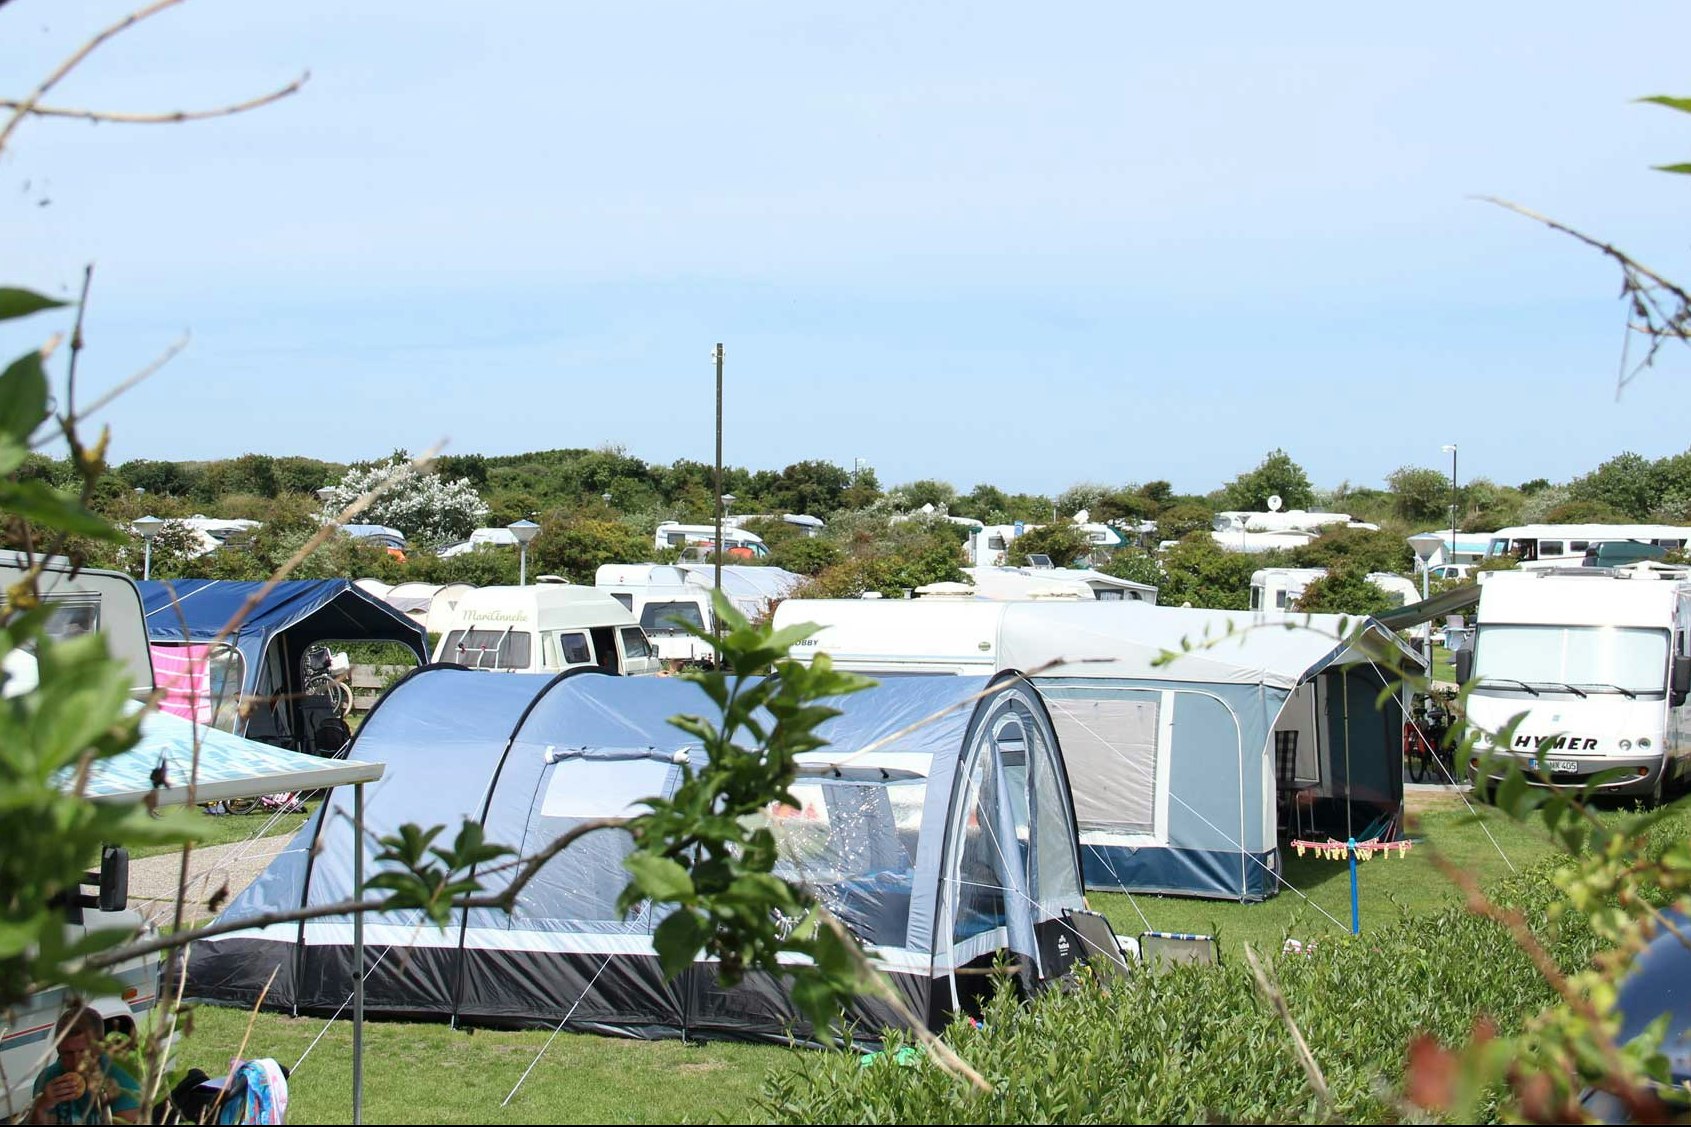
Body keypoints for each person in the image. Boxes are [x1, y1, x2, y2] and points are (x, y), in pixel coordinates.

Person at [28, 1006, 140, 1124]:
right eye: (68, 1053)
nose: (76, 1062)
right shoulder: (49, 1079)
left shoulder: (122, 1076)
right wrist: (42, 1107)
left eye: (83, 1052)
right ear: (58, 1049)